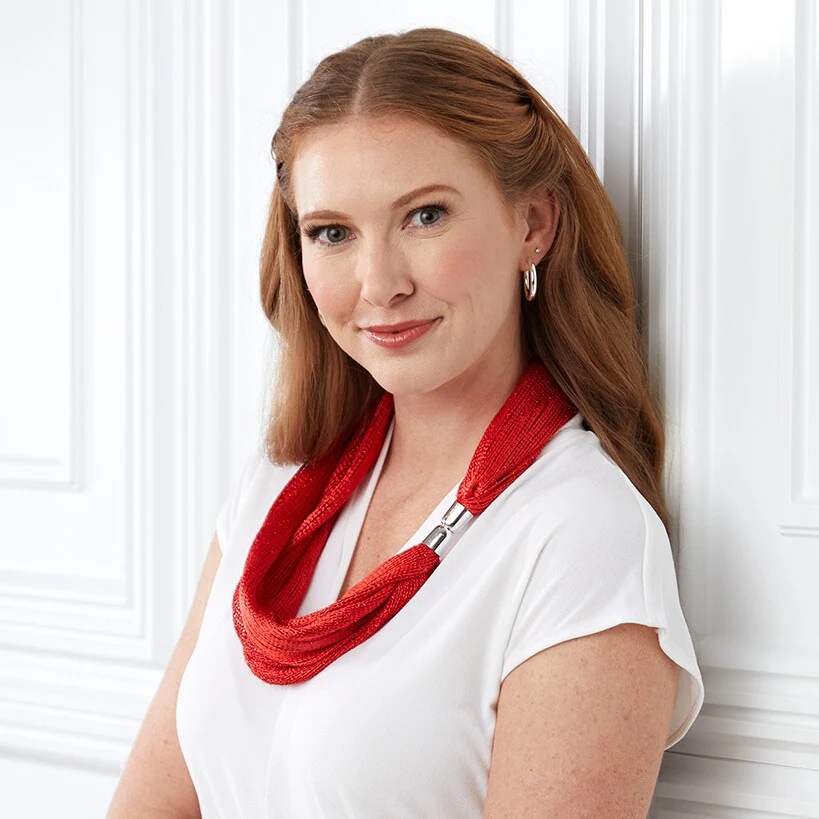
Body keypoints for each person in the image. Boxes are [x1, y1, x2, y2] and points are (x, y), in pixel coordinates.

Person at [109, 26, 704, 818]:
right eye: (332, 232)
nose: (379, 282)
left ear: (533, 223)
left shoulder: (582, 535)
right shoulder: (275, 489)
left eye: (424, 215)